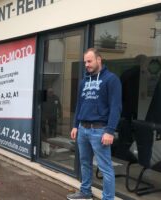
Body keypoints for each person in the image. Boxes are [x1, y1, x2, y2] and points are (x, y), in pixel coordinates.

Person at [67, 48, 122, 200]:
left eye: (89, 61)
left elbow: (116, 107)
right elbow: (79, 104)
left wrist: (110, 131)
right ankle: (85, 192)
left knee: (105, 168)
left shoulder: (111, 80)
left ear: (99, 60)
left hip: (100, 131)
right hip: (83, 129)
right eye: (85, 62)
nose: (87, 65)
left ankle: (108, 198)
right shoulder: (84, 82)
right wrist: (75, 125)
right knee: (84, 164)